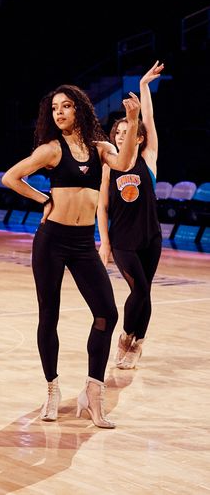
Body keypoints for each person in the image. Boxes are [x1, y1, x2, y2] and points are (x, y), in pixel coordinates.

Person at [3, 84, 141, 429]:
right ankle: (51, 388)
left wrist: (134, 119)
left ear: (79, 108)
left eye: (66, 106)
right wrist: (43, 200)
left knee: (107, 313)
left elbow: (125, 162)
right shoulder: (51, 149)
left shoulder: (100, 149)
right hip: (51, 240)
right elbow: (11, 177)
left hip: (82, 243)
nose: (59, 112)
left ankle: (93, 392)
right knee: (49, 315)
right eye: (54, 109)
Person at [98, 61, 164, 371]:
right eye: (118, 131)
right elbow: (102, 207)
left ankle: (138, 343)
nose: (122, 135)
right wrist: (105, 242)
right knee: (139, 288)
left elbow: (148, 119)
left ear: (138, 137)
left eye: (128, 131)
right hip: (123, 240)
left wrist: (143, 86)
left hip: (150, 238)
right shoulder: (109, 165)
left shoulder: (148, 159)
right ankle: (126, 336)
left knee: (146, 291)